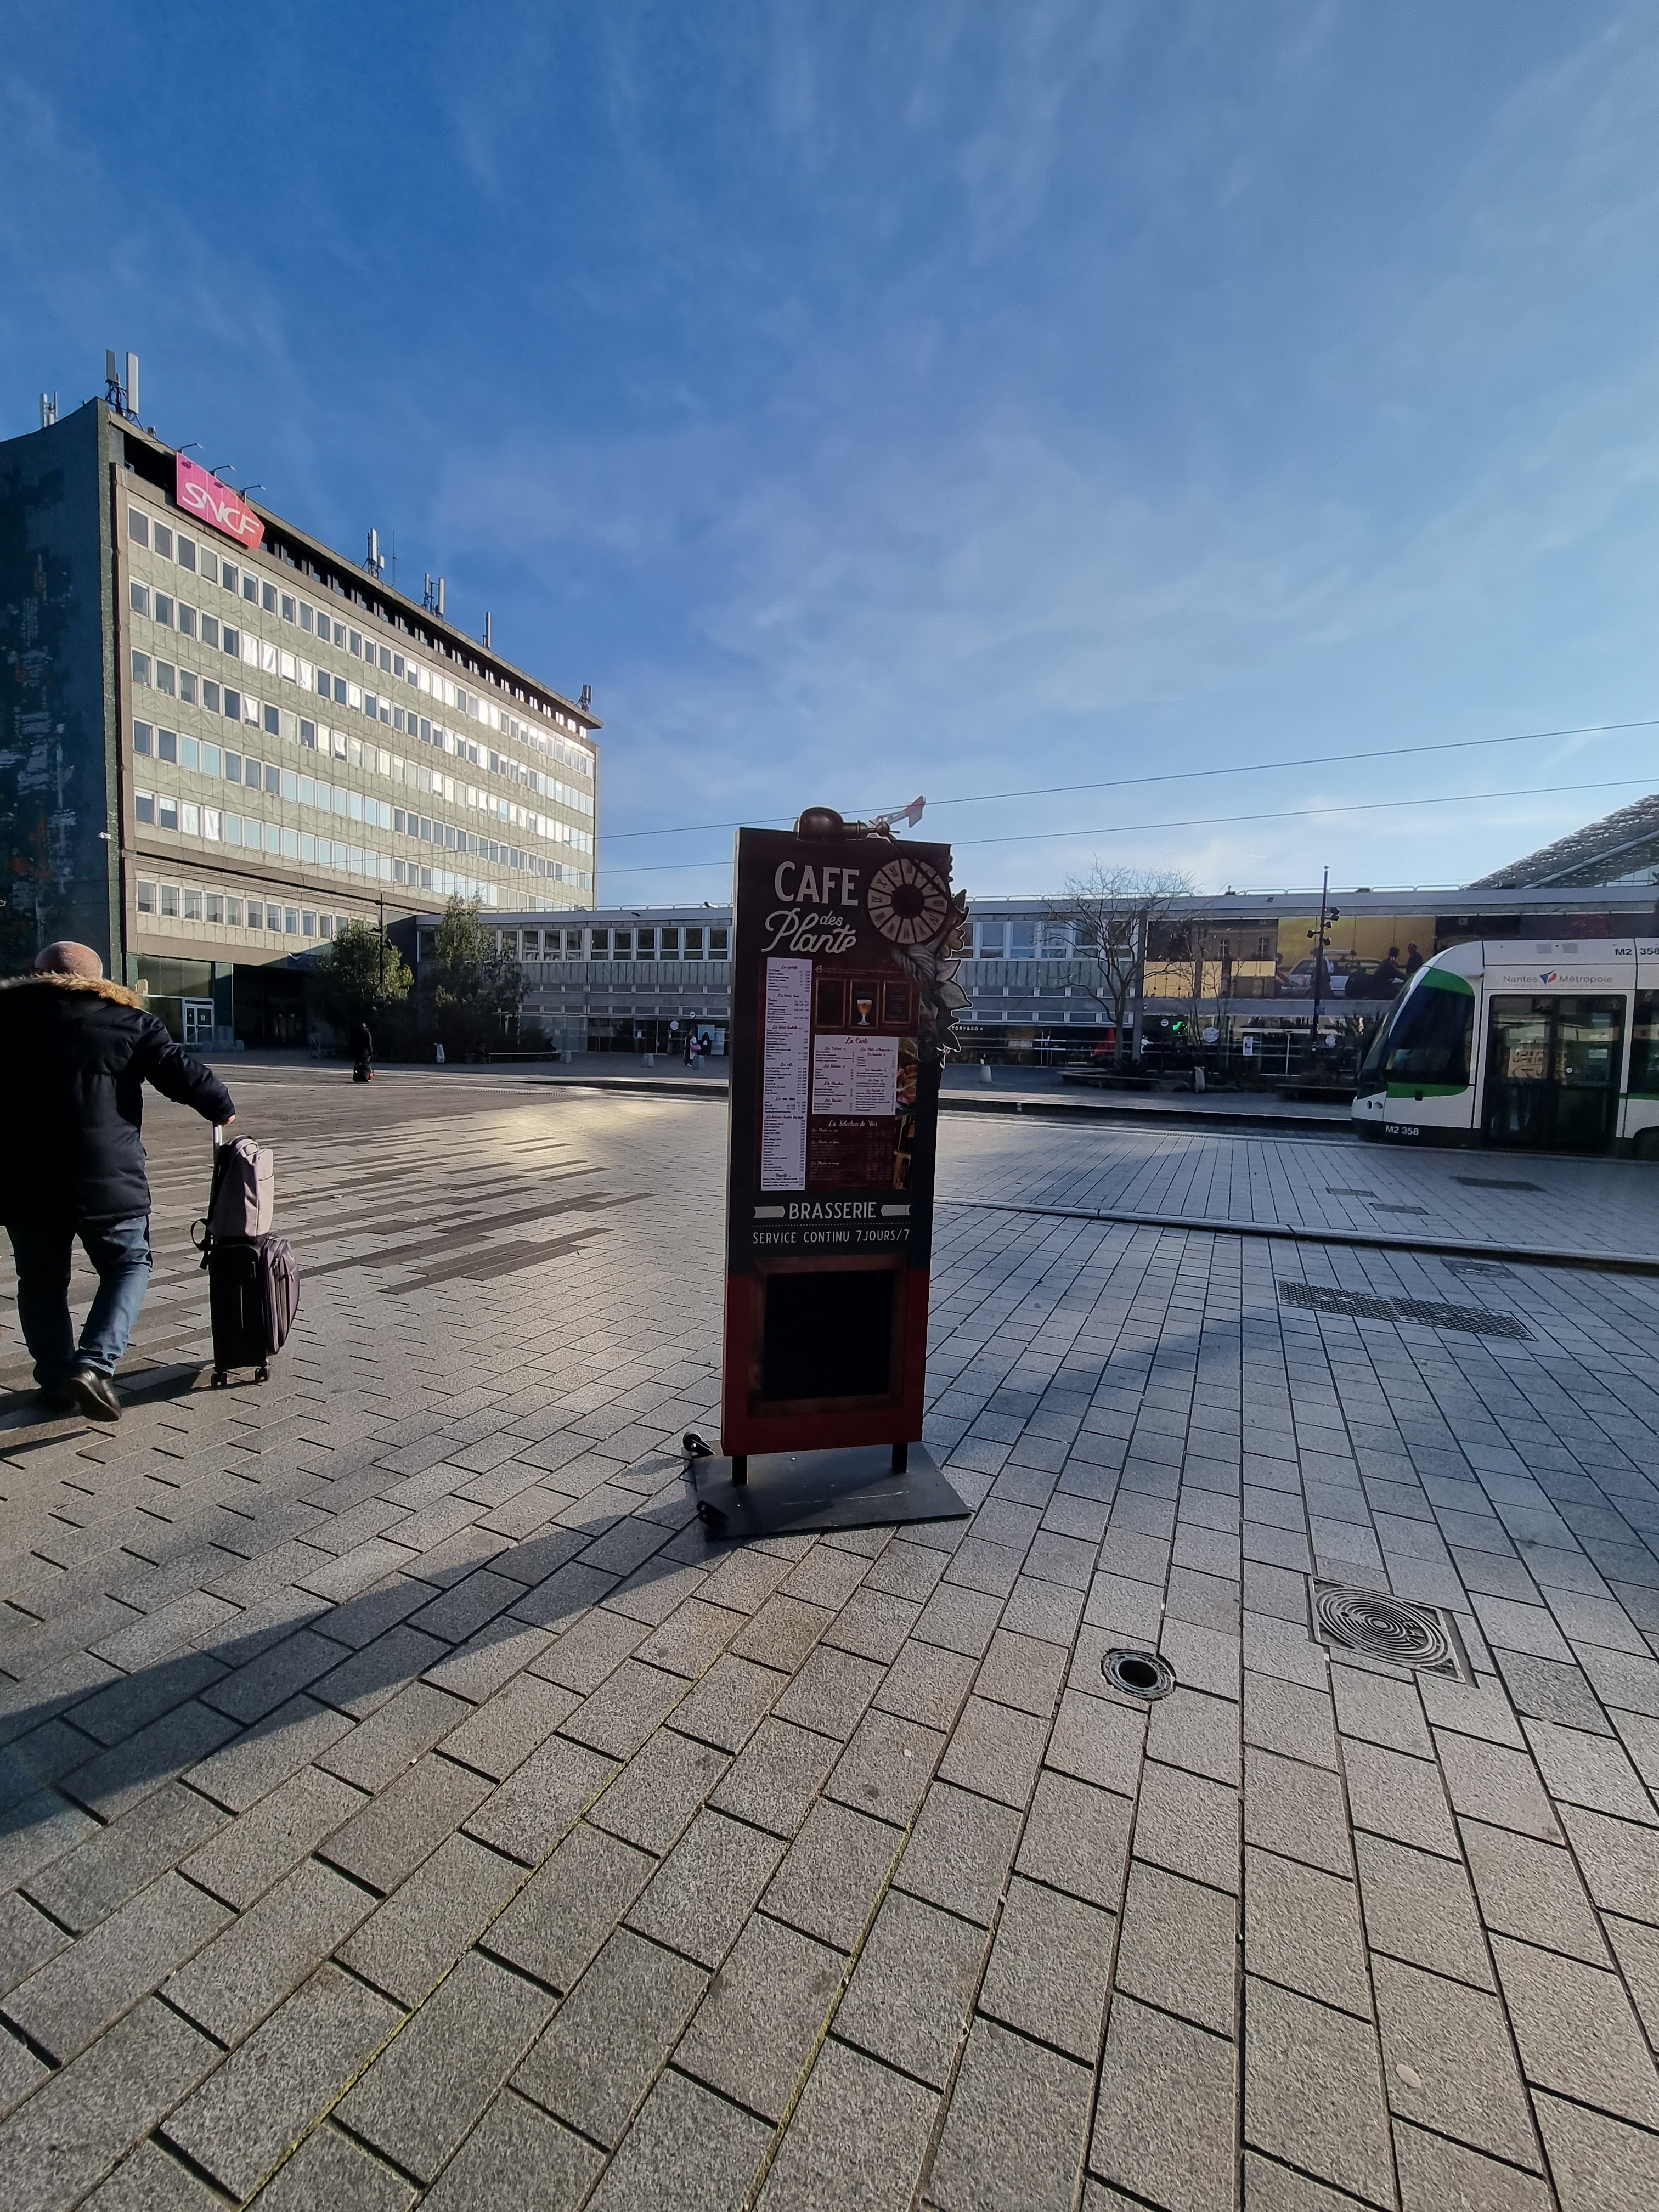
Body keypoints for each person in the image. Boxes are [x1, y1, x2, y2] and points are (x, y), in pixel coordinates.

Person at [1, 941, 235, 1421]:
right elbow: (181, 1072)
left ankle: (55, 1383)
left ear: (38, 974)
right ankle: (93, 1364)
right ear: (99, 980)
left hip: (25, 1181)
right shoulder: (128, 1021)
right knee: (128, 1265)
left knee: (41, 1283)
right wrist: (220, 1105)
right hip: (106, 1179)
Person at [353, 1018, 374, 1082]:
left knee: (358, 1064)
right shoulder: (367, 1033)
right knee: (366, 1065)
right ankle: (365, 1077)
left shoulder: (356, 1032)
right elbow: (369, 1044)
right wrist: (371, 1053)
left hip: (357, 1051)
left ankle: (357, 1076)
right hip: (365, 1052)